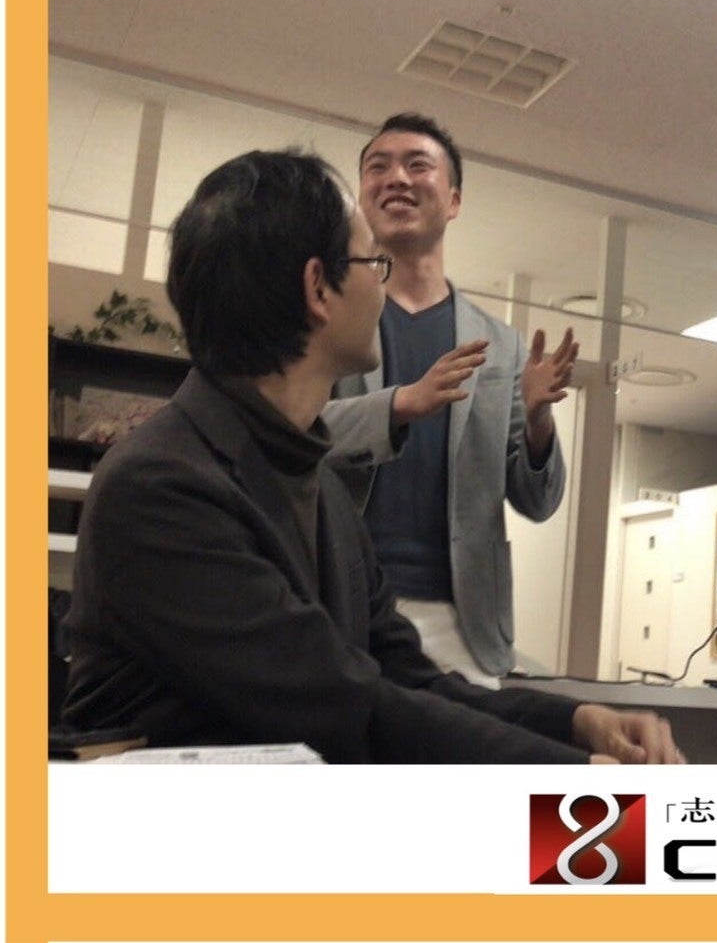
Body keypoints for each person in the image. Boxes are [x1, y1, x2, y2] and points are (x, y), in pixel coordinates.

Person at [60, 149, 682, 764]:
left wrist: (575, 722)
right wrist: (582, 787)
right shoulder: (162, 486)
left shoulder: (321, 489)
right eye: (373, 263)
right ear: (318, 289)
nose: (383, 287)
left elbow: (408, 679)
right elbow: (348, 709)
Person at [321, 113, 578, 687]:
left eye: (417, 165)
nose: (396, 178)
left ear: (454, 199)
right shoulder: (331, 319)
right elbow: (298, 430)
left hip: (467, 624)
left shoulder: (501, 344)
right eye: (378, 167)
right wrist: (398, 405)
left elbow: (537, 501)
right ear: (362, 194)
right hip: (344, 609)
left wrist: (538, 421)